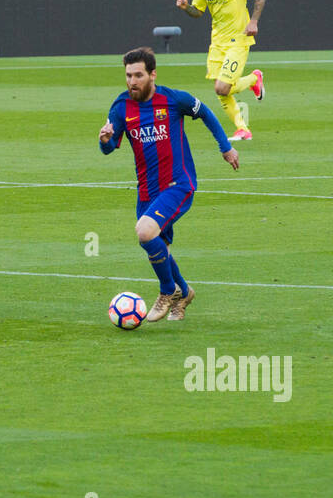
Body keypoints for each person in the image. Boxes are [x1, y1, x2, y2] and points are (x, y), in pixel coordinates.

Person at [98, 46, 239, 322]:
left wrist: (226, 147)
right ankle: (184, 292)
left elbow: (207, 113)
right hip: (147, 192)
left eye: (138, 75)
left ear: (152, 74)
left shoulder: (173, 100)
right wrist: (104, 139)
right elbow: (109, 146)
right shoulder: (121, 106)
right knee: (158, 244)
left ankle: (167, 291)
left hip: (178, 185)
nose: (132, 81)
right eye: (128, 75)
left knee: (145, 231)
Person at [175, 0, 267, 141]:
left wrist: (253, 21)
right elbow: (198, 12)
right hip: (217, 41)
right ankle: (243, 128)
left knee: (221, 87)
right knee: (221, 89)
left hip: (239, 39)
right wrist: (186, 7)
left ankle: (253, 80)